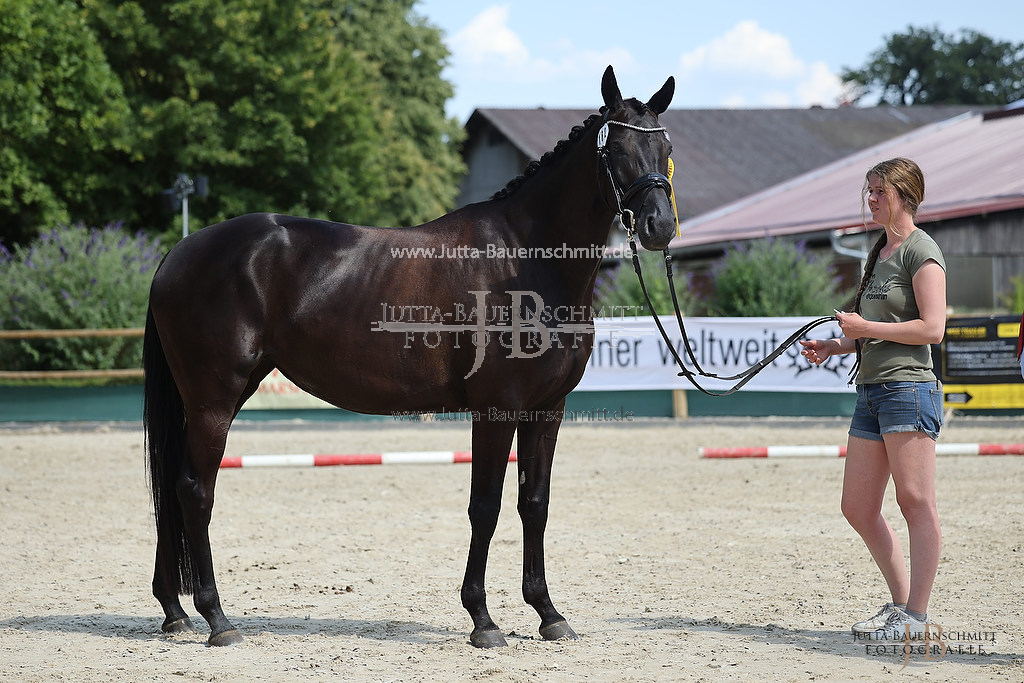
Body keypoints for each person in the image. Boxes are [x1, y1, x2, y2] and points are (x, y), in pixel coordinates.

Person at [799, 158, 946, 641]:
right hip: (872, 390)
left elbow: (932, 329)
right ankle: (901, 605)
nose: (871, 198)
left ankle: (916, 619)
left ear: (904, 194)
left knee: (916, 502)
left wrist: (864, 328)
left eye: (879, 190)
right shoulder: (879, 251)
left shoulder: (922, 252)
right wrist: (839, 344)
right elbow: (874, 333)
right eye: (869, 190)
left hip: (908, 388)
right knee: (858, 507)